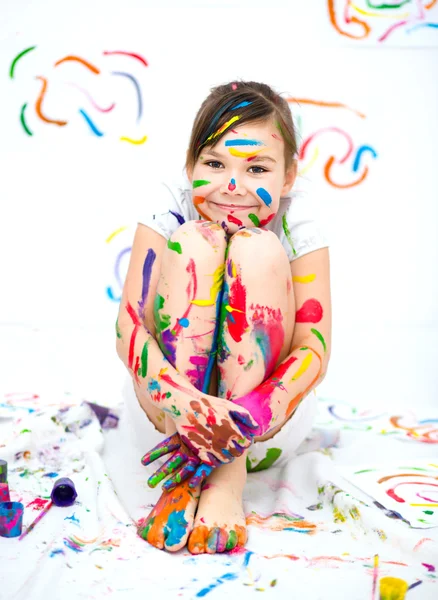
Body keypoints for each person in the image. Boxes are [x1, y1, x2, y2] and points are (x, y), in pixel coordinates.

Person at [115, 80, 332, 555]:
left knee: (257, 249)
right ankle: (183, 479)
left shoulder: (301, 217)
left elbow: (314, 350)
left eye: (257, 168)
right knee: (196, 240)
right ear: (190, 165)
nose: (233, 187)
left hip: (262, 428)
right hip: (167, 416)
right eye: (214, 164)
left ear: (289, 177)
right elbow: (128, 327)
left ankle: (226, 479)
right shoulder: (168, 201)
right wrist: (190, 407)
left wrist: (239, 421)